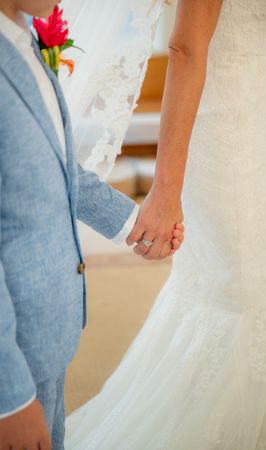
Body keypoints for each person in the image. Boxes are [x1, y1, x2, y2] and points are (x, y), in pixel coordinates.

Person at [65, 0, 266, 449]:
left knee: (263, 295)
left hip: (262, 122)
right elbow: (185, 48)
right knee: (237, 295)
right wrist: (165, 190)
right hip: (223, 136)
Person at [0, 1, 184, 450]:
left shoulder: (26, 43)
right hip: (13, 355)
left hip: (47, 328)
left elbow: (61, 168)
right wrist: (8, 398)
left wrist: (135, 223)